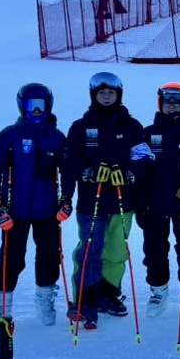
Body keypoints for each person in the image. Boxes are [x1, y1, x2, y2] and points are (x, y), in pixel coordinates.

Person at [62, 71, 148, 330]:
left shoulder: (132, 126)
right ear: (93, 95)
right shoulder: (81, 127)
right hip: (92, 201)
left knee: (117, 251)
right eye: (102, 92)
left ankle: (109, 293)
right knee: (90, 249)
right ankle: (86, 298)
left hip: (122, 201)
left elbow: (143, 157)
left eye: (111, 92)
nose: (107, 96)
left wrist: (130, 174)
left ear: (119, 95)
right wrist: (87, 172)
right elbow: (70, 160)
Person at [0, 83, 71, 326]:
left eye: (40, 106)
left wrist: (66, 199)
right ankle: (3, 302)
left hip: (47, 211)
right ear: (22, 106)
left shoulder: (56, 138)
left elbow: (68, 172)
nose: (36, 111)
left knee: (49, 256)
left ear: (49, 106)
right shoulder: (9, 136)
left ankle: (44, 298)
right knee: (12, 258)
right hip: (15, 210)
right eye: (31, 106)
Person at [135, 83, 180, 318]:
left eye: (177, 101)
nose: (172, 105)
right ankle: (158, 290)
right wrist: (141, 203)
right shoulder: (147, 134)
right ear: (160, 104)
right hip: (155, 203)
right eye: (167, 101)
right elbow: (139, 169)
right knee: (154, 248)